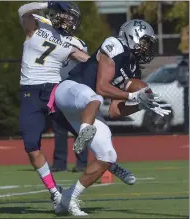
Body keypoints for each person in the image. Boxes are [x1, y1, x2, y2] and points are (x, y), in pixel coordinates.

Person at [53, 19, 171, 216]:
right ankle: (84, 133)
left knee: (107, 156)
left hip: (89, 109)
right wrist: (131, 95)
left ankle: (68, 199)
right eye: (145, 42)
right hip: (71, 91)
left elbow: (114, 112)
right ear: (133, 35)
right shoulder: (115, 45)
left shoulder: (133, 69)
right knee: (94, 96)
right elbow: (101, 86)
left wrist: (141, 104)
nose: (146, 48)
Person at [18, 1, 89, 213]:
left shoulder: (73, 42)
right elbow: (22, 10)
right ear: (56, 13)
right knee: (31, 146)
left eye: (72, 18)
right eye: (66, 15)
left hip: (54, 92)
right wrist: (46, 3)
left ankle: (110, 162)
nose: (69, 20)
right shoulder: (38, 26)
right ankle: (56, 194)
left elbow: (89, 62)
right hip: (30, 92)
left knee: (84, 131)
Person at [51, 41, 89, 172]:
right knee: (59, 128)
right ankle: (59, 163)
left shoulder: (78, 42)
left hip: (74, 89)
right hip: (57, 87)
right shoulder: (54, 40)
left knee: (78, 129)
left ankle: (82, 162)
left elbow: (85, 60)